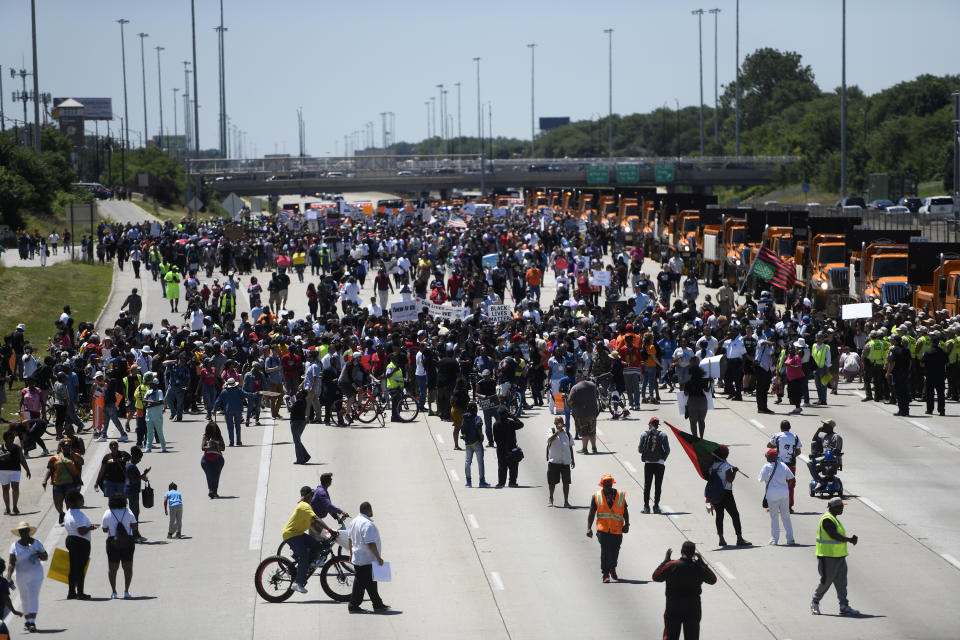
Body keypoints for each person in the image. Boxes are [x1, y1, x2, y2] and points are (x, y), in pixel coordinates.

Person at [652, 541, 717, 640]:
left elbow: (656, 576)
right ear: (694, 553)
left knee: (670, 636)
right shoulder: (698, 567)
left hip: (673, 607)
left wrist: (665, 561)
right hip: (693, 608)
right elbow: (713, 579)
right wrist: (702, 563)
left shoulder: (672, 565)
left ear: (681, 551)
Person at [283, 486, 339, 594]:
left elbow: (314, 524)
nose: (313, 497)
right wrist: (330, 530)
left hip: (298, 534)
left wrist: (325, 536)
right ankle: (297, 583)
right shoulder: (304, 506)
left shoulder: (306, 506)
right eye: (312, 495)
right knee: (303, 556)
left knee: (318, 546)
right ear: (308, 496)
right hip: (291, 534)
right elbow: (317, 519)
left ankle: (307, 565)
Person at [811, 497, 860, 616]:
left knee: (842, 583)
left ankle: (844, 606)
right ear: (833, 507)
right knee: (826, 581)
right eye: (840, 506)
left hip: (839, 556)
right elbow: (834, 535)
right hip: (827, 557)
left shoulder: (834, 519)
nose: (842, 508)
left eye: (842, 506)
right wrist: (849, 540)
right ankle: (815, 602)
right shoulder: (827, 519)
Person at [347, 501, 390, 613]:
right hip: (367, 560)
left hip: (358, 558)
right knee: (361, 585)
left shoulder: (353, 522)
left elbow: (350, 539)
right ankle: (353, 605)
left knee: (369, 583)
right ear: (368, 510)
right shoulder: (367, 524)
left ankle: (377, 604)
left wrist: (351, 555)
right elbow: (370, 543)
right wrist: (378, 558)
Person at [586, 473, 629, 583]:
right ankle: (605, 573)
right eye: (606, 484)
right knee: (605, 551)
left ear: (612, 483)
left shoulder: (620, 495)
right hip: (603, 529)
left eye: (609, 483)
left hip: (617, 529)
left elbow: (625, 511)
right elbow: (592, 513)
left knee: (615, 551)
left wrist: (627, 524)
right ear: (602, 485)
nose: (608, 486)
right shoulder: (596, 496)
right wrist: (589, 528)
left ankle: (612, 568)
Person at [6, 521, 46, 632]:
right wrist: (9, 577)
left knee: (33, 596)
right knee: (24, 598)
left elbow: (45, 557)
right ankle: (28, 621)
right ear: (19, 533)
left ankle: (32, 622)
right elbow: (11, 563)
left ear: (29, 531)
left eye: (25, 530)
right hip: (21, 577)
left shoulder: (37, 543)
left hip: (36, 575)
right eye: (21, 531)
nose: (23, 533)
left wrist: (39, 554)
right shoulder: (14, 546)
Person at [706, 445, 750, 547]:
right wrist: (734, 471)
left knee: (719, 516)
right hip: (726, 494)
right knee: (735, 515)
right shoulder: (726, 466)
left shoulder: (712, 467)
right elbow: (730, 480)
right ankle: (739, 538)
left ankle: (721, 538)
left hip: (715, 494)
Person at [101, 494, 138, 599]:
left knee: (112, 568)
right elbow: (135, 526)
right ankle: (126, 591)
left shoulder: (107, 513)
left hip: (112, 542)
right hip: (128, 542)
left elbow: (104, 529)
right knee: (128, 568)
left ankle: (114, 592)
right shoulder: (128, 511)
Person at [759, 448, 795, 545]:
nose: (766, 457)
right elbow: (791, 478)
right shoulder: (783, 465)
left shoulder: (766, 467)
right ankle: (790, 539)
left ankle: (774, 539)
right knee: (786, 516)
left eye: (767, 456)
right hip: (784, 493)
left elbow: (761, 479)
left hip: (772, 494)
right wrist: (785, 487)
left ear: (771, 457)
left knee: (774, 517)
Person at [43, 438, 83, 525]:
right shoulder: (55, 458)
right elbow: (50, 470)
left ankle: (70, 518)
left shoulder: (75, 455)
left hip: (71, 484)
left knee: (69, 502)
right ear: (61, 447)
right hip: (58, 484)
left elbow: (81, 462)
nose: (66, 448)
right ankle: (61, 513)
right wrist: (45, 480)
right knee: (57, 503)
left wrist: (74, 455)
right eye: (64, 446)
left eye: (68, 446)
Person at [63, 490, 94, 600]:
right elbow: (81, 530)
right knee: (80, 568)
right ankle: (80, 593)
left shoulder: (68, 512)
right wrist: (90, 528)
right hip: (81, 542)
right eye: (80, 500)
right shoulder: (79, 515)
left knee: (73, 568)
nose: (82, 501)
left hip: (71, 539)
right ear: (74, 502)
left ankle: (71, 592)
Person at [638, 417, 670, 514]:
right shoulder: (663, 435)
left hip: (648, 464)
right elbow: (667, 450)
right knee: (658, 485)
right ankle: (656, 507)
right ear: (657, 425)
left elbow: (639, 449)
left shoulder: (644, 434)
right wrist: (662, 459)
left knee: (647, 485)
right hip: (659, 464)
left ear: (650, 424)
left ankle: (646, 507)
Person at [769, 420, 801, 510]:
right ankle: (789, 506)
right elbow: (798, 452)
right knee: (790, 485)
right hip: (791, 465)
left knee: (778, 484)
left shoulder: (777, 435)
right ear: (789, 428)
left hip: (779, 465)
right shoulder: (795, 437)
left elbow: (769, 445)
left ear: (781, 428)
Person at [566, 375, 599, 454]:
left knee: (584, 432)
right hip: (593, 412)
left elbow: (569, 401)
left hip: (582, 413)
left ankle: (584, 449)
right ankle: (594, 447)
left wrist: (573, 406)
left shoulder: (575, 388)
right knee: (592, 431)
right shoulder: (592, 385)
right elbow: (597, 395)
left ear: (577, 379)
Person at [546, 416, 575, 507]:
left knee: (566, 482)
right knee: (552, 482)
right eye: (558, 422)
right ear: (554, 423)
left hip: (565, 461)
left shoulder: (567, 433)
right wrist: (558, 431)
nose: (560, 423)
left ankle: (566, 501)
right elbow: (550, 440)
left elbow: (570, 446)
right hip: (554, 461)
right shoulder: (551, 431)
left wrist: (572, 460)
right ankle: (551, 498)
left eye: (561, 422)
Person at [0, 429, 30, 515]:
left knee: (15, 488)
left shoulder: (17, 448)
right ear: (5, 439)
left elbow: (22, 460)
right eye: (10, 438)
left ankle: (15, 506)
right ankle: (7, 508)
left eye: (12, 438)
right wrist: (4, 455)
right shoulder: (1, 447)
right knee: (5, 489)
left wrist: (27, 470)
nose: (12, 440)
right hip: (3, 471)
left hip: (15, 470)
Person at [493, 406, 524, 488]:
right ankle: (512, 482)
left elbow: (495, 438)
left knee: (502, 466)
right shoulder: (510, 423)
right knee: (513, 466)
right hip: (512, 448)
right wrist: (513, 417)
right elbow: (521, 424)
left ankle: (501, 483)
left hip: (501, 449)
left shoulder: (495, 424)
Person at [461, 403, 489, 488]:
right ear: (475, 409)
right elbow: (478, 426)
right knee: (480, 462)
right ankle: (481, 482)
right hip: (477, 442)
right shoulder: (477, 418)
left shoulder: (464, 418)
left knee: (467, 462)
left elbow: (462, 430)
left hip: (468, 443)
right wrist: (482, 436)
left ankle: (468, 482)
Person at [921, 333, 948, 416]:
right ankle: (941, 410)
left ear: (932, 342)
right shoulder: (943, 352)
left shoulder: (928, 352)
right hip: (940, 375)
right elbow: (947, 364)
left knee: (930, 394)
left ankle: (930, 410)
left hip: (930, 375)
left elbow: (922, 364)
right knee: (941, 394)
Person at [124, 446, 150, 530]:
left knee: (134, 512)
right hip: (132, 492)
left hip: (129, 491)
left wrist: (141, 476)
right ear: (134, 457)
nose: (139, 461)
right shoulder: (131, 466)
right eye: (139, 458)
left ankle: (134, 532)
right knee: (134, 513)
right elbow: (133, 480)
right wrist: (142, 476)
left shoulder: (128, 464)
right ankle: (135, 534)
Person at [684, 360, 710, 438]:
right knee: (701, 420)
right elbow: (707, 390)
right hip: (702, 400)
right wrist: (710, 383)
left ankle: (695, 437)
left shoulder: (688, 382)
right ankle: (701, 437)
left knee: (693, 421)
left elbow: (686, 393)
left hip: (692, 401)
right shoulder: (704, 380)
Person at [886, 334, 911, 416]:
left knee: (899, 392)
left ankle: (901, 410)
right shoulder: (907, 350)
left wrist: (888, 373)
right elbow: (910, 362)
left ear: (895, 341)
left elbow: (892, 363)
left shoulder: (893, 350)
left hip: (897, 373)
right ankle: (906, 409)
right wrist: (908, 370)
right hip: (905, 372)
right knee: (905, 391)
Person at [201, 421, 226, 499]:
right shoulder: (205, 436)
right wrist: (209, 447)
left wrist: (217, 447)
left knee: (216, 476)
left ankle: (214, 491)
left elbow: (223, 448)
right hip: (206, 460)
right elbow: (202, 447)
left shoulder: (219, 437)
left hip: (218, 459)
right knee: (209, 476)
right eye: (212, 430)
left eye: (214, 429)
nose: (213, 432)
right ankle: (211, 491)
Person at [286, 389, 311, 465]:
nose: (297, 392)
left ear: (301, 394)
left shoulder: (299, 401)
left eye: (299, 391)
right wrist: (290, 397)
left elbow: (290, 409)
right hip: (301, 422)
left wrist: (286, 401)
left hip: (296, 423)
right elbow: (294, 403)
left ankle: (300, 460)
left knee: (296, 441)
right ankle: (306, 456)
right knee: (297, 441)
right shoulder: (302, 401)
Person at [142, 373, 166, 452]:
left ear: (156, 384)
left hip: (157, 416)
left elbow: (161, 402)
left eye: (152, 384)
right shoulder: (148, 392)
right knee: (149, 433)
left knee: (159, 432)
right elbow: (144, 399)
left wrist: (151, 405)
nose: (150, 385)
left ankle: (163, 446)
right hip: (149, 415)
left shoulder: (159, 391)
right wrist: (150, 401)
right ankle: (148, 447)